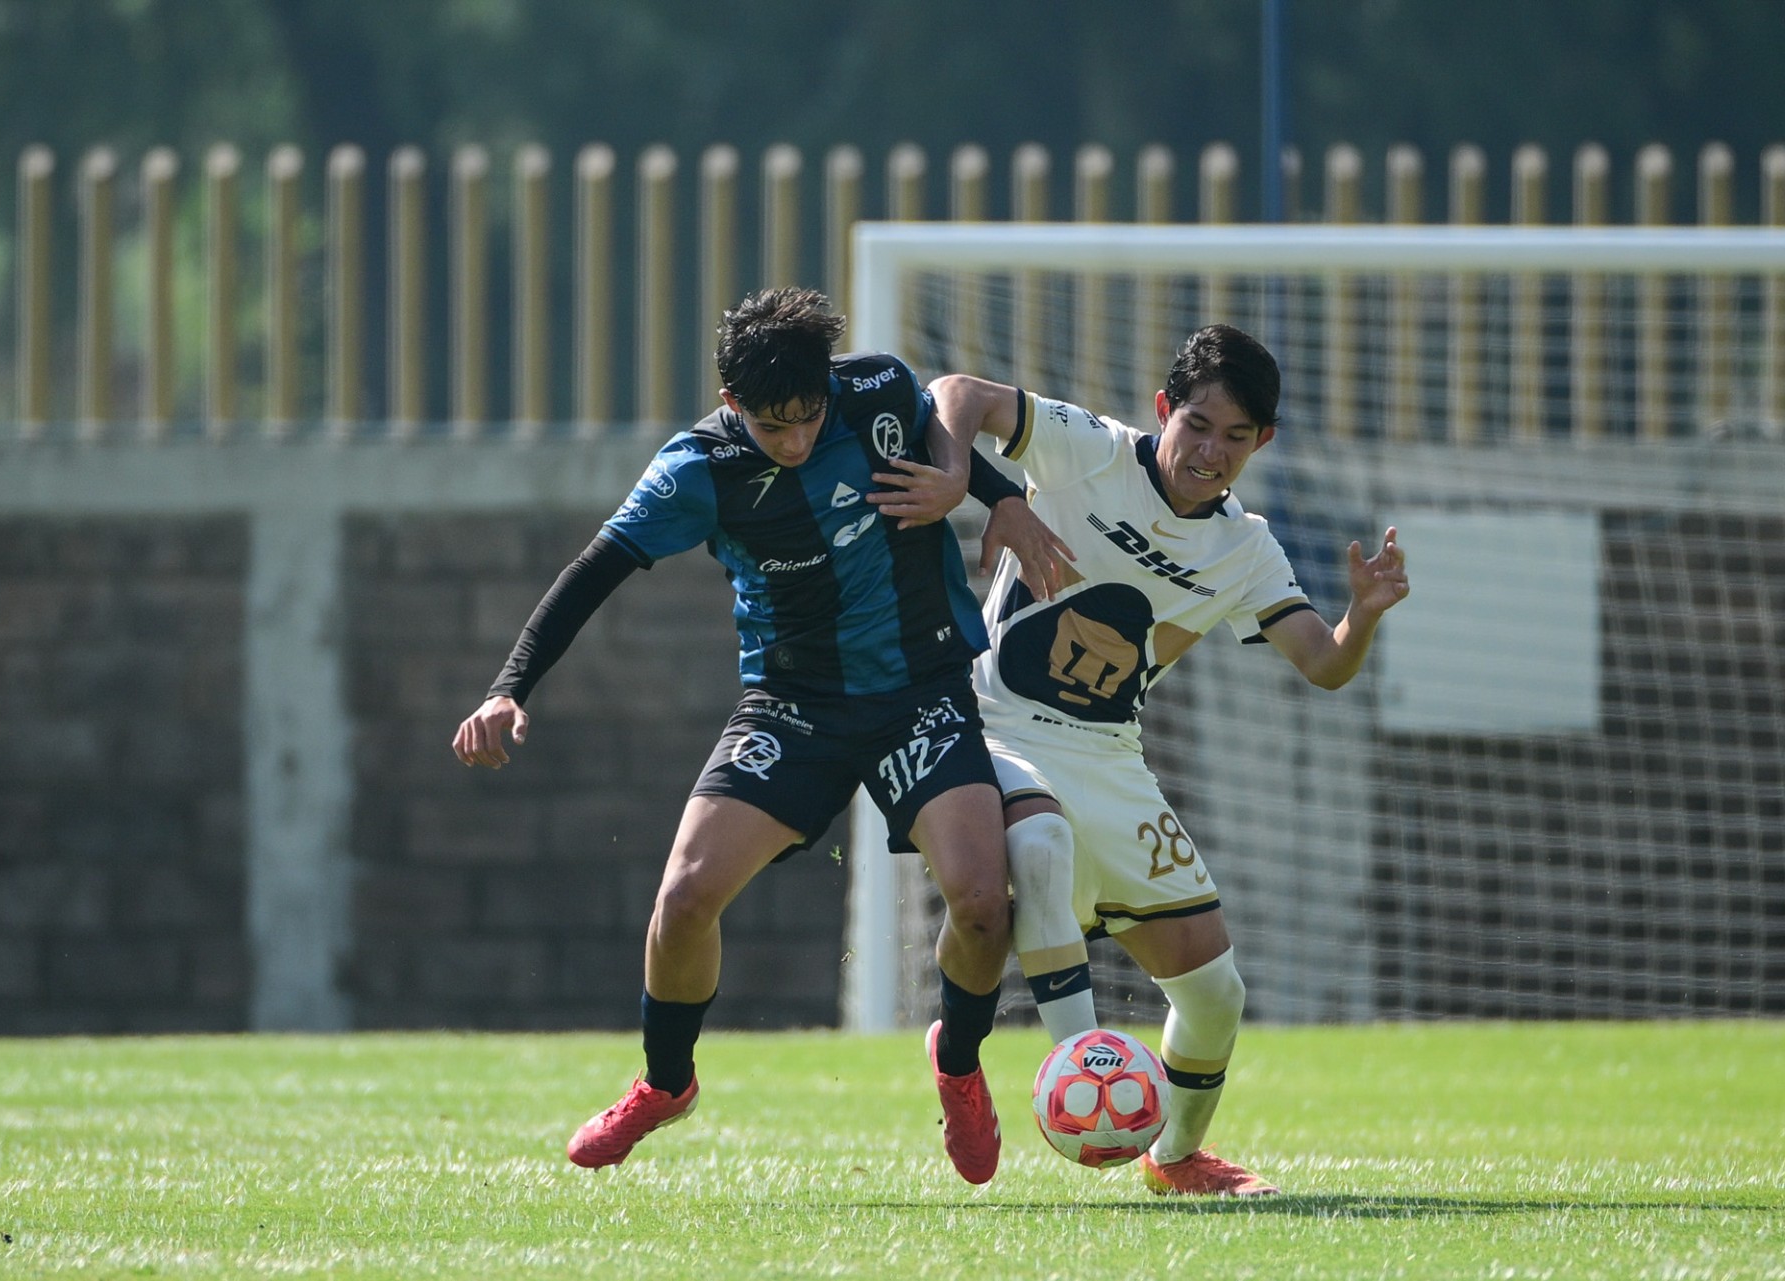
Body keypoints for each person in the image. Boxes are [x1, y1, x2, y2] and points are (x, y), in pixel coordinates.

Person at [452, 287, 1061, 1185]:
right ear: (732, 402)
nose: (798, 440)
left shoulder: (877, 391)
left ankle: (960, 1064)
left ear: (828, 388)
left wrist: (994, 493)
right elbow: (592, 572)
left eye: (809, 416)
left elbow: (945, 417)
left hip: (919, 692)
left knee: (980, 903)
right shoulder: (696, 469)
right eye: (774, 426)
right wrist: (509, 688)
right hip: (793, 705)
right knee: (684, 898)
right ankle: (666, 1082)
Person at [930, 325, 1411, 1197]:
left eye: (1236, 436)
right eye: (1197, 424)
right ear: (1164, 410)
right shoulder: (1090, 450)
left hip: (1111, 760)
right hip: (1001, 727)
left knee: (1217, 992)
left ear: (1263, 441)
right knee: (1040, 844)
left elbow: (1324, 663)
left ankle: (1177, 1156)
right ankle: (1080, 1070)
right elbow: (957, 393)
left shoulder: (1246, 547)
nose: (1210, 451)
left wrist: (1365, 613)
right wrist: (967, 478)